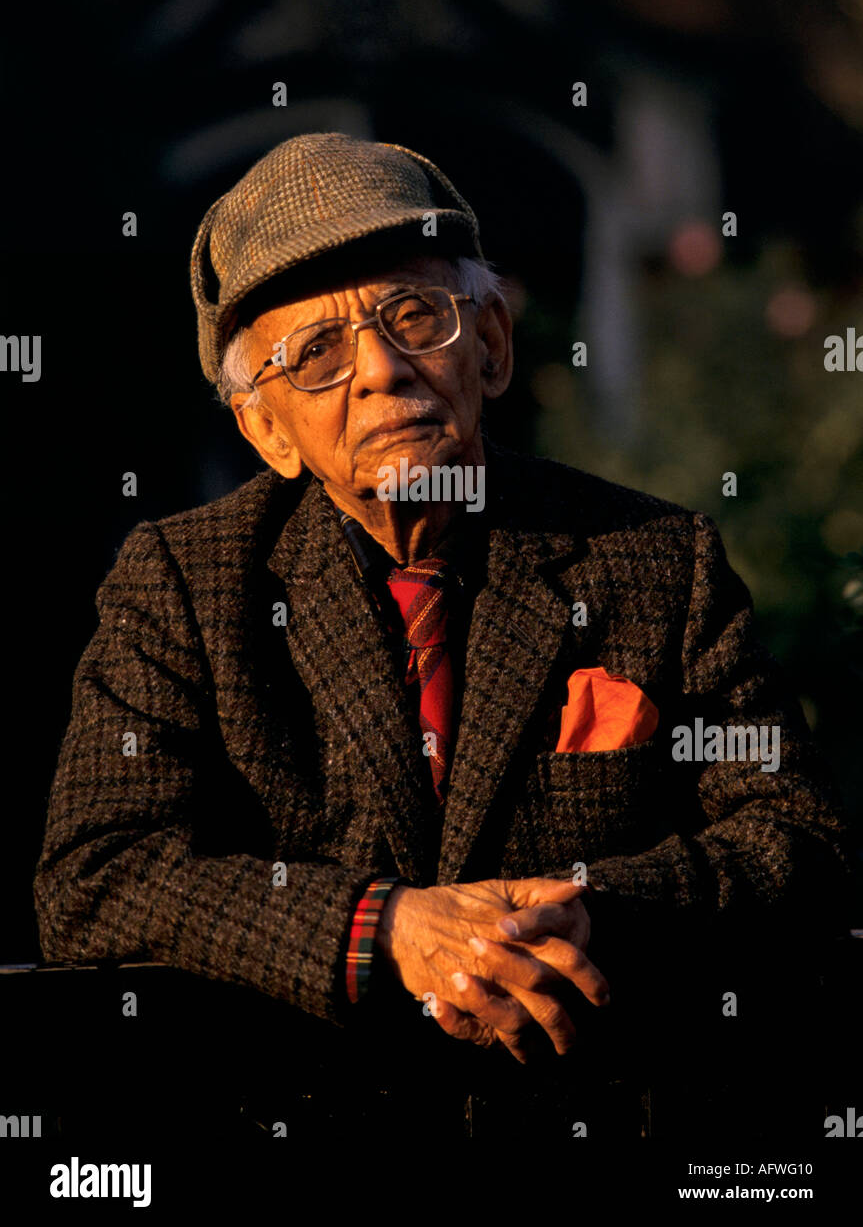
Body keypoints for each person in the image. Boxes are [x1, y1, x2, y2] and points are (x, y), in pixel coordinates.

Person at [34, 132, 851, 1133]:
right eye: (317, 354)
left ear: (492, 345)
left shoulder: (652, 559)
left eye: (412, 315)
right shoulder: (182, 583)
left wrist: (588, 910)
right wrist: (383, 929)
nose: (381, 370)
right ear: (268, 431)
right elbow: (95, 874)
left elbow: (797, 835)